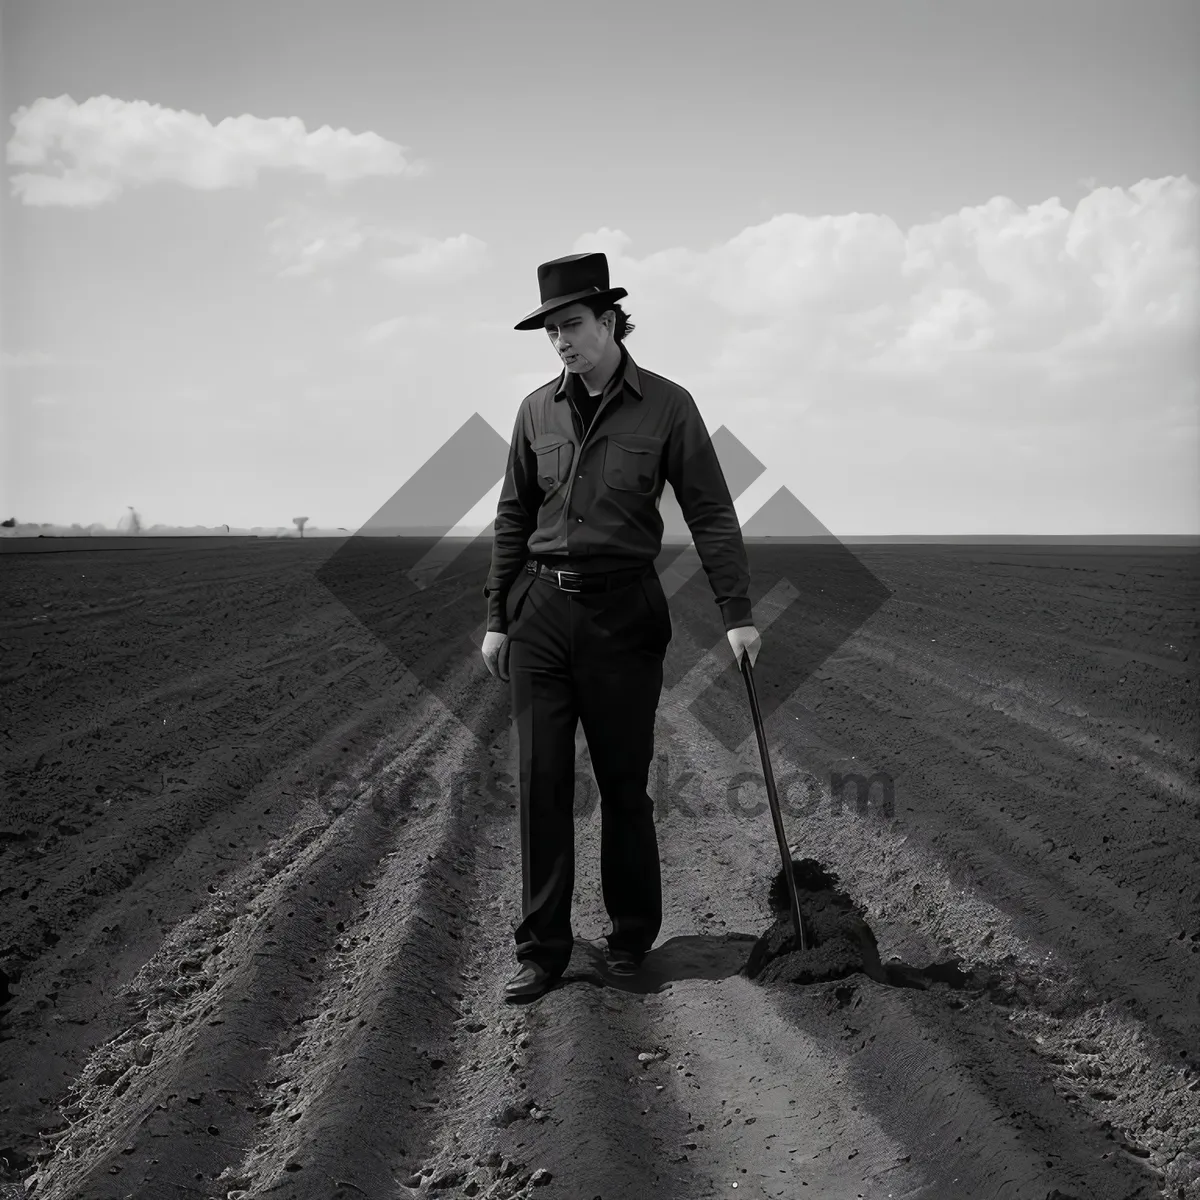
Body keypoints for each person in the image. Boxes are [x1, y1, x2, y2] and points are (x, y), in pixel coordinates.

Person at [481, 251, 761, 1002]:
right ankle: (542, 950)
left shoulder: (668, 406)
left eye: (572, 325)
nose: (562, 342)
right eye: (551, 331)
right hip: (541, 609)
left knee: (622, 784)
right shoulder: (535, 410)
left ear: (609, 321)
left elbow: (710, 511)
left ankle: (631, 937)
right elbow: (513, 514)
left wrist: (737, 613)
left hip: (624, 613)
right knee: (541, 781)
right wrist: (496, 616)